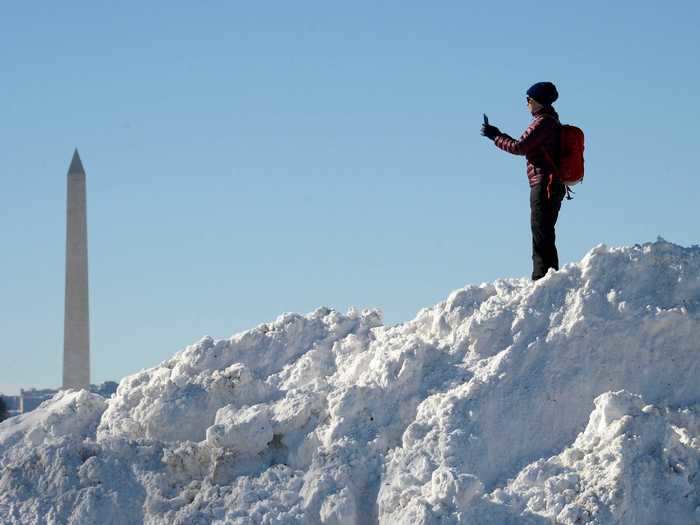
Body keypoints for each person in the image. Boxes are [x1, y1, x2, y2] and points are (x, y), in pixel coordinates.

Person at [481, 81, 566, 281]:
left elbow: (520, 147)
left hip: (544, 183)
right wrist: (498, 135)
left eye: (528, 99)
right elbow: (525, 145)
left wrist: (495, 136)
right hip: (550, 182)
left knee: (541, 230)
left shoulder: (543, 122)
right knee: (543, 229)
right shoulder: (550, 121)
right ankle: (546, 274)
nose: (526, 103)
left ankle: (543, 276)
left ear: (537, 101)